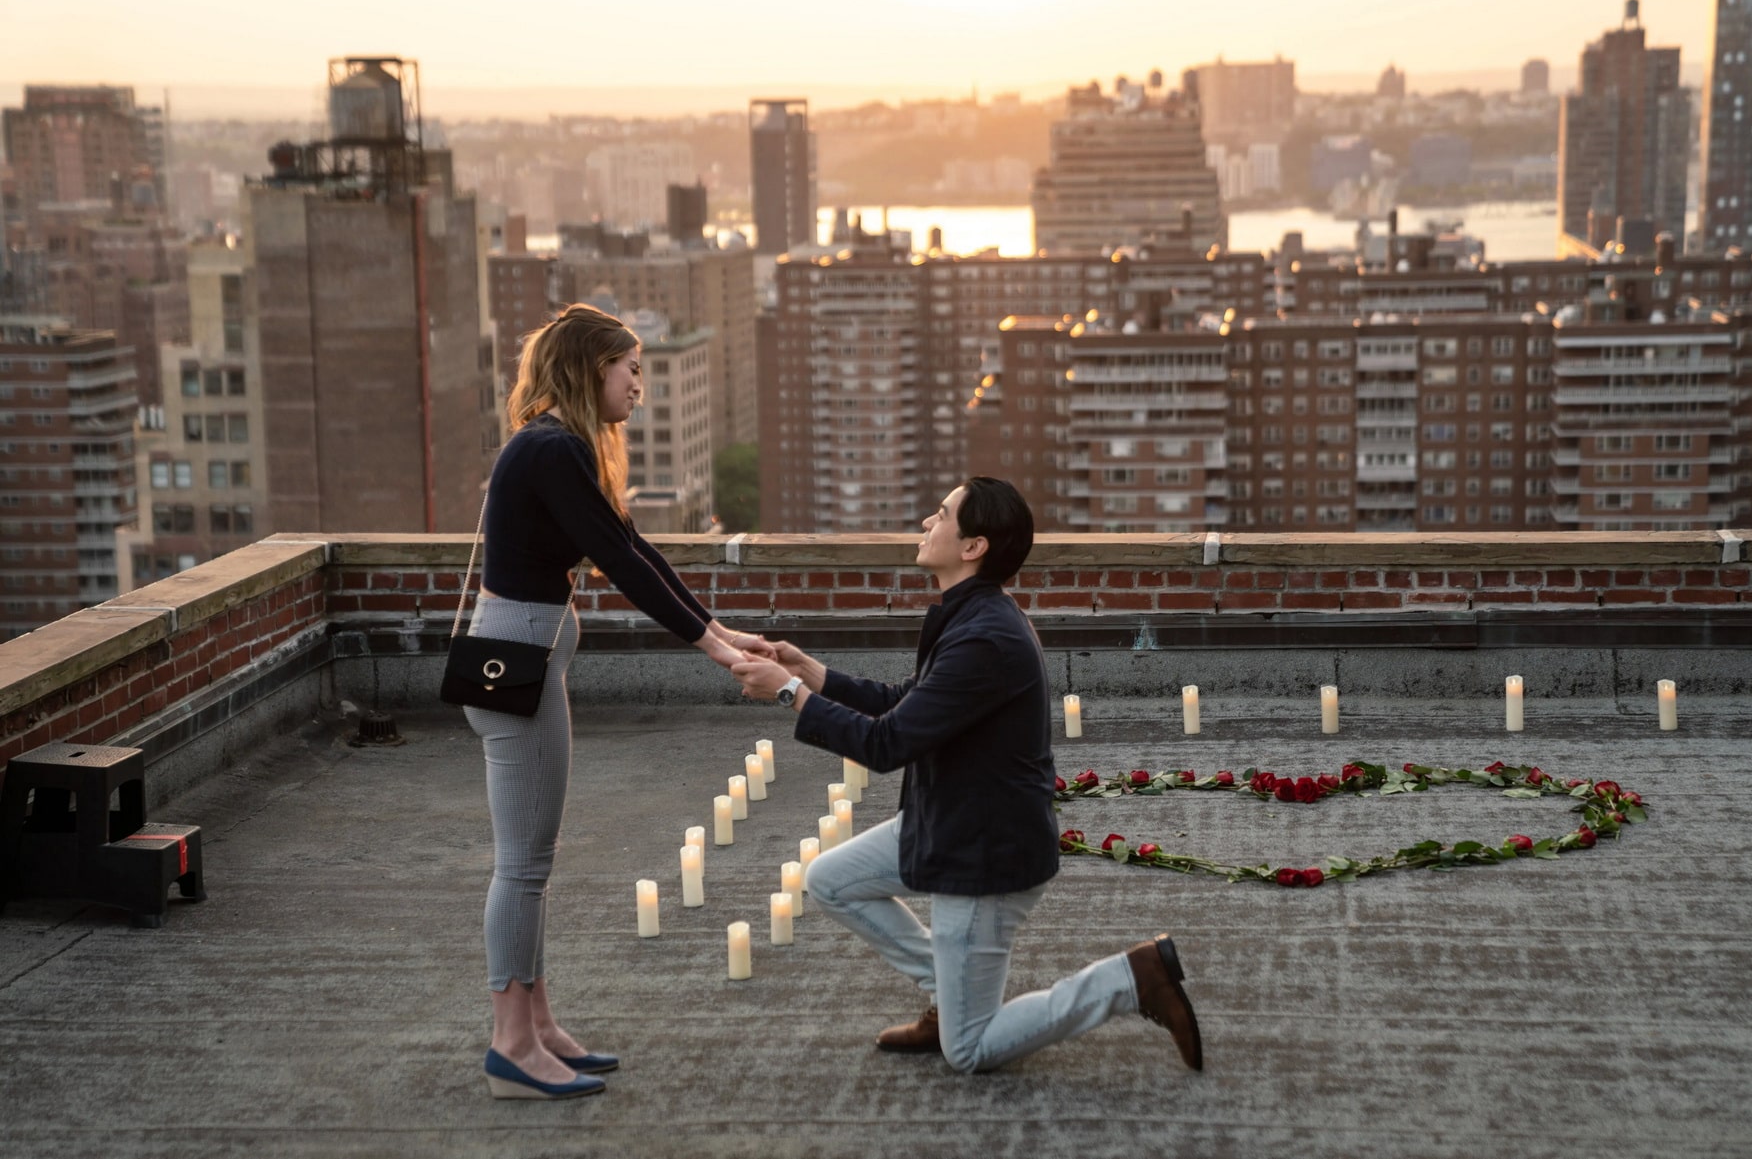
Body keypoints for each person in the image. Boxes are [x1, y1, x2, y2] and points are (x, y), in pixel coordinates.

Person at [730, 477, 1203, 1074]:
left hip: (982, 854)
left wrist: (789, 694)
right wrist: (811, 672)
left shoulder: (985, 636)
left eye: (941, 514)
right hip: (948, 821)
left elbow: (888, 743)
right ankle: (946, 992)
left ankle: (1131, 979)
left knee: (970, 1050)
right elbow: (907, 700)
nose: (927, 524)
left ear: (973, 546)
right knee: (831, 880)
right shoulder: (973, 617)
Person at [465, 305, 768, 1099]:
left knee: (534, 864)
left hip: (527, 653)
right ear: (590, 366)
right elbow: (621, 564)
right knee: (521, 866)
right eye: (630, 366)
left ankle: (538, 1026)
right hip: (519, 659)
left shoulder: (557, 448)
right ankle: (509, 1044)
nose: (640, 382)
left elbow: (635, 548)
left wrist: (716, 625)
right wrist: (710, 646)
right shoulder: (552, 448)